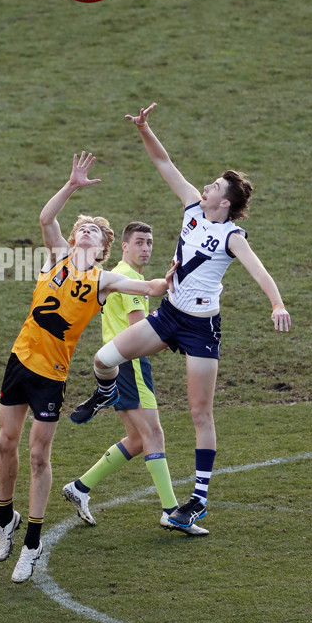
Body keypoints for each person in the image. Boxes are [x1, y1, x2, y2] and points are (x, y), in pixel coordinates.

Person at [71, 103, 291, 531]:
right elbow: (163, 161)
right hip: (169, 315)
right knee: (103, 360)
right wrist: (144, 128)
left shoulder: (232, 235)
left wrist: (277, 303)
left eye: (213, 185)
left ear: (224, 202)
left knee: (199, 413)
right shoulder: (192, 207)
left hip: (201, 328)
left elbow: (258, 270)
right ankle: (103, 393)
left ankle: (199, 500)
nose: (204, 186)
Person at [0, 152, 176, 583]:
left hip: (52, 374)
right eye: (82, 227)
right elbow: (45, 217)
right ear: (74, 237)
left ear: (102, 246)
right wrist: (72, 184)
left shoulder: (103, 279)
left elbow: (148, 285)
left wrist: (170, 279)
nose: (86, 231)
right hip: (19, 360)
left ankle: (32, 545)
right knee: (5, 444)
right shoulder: (57, 256)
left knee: (39, 457)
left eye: (94, 230)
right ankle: (5, 518)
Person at [63, 222, 207, 536]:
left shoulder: (122, 276)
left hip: (118, 365)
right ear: (125, 246)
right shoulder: (129, 278)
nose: (146, 248)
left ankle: (79, 487)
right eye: (139, 242)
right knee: (153, 434)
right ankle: (171, 513)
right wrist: (173, 337)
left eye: (150, 243)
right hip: (130, 365)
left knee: (139, 439)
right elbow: (139, 329)